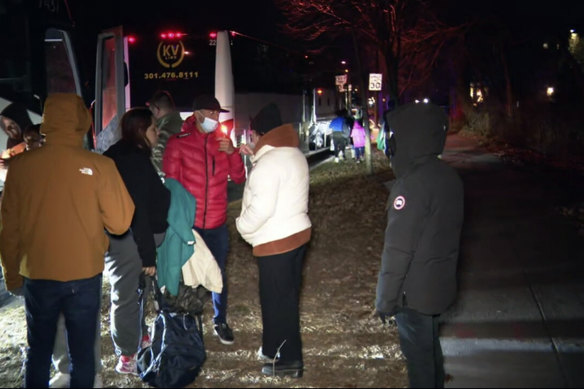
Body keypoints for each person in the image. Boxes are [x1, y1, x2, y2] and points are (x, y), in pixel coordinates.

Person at [0, 93, 135, 388]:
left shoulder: (21, 167)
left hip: (37, 273)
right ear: (81, 122)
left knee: (38, 349)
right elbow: (121, 222)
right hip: (83, 273)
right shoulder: (99, 166)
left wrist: (12, 275)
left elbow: (8, 228)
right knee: (83, 352)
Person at [375, 102, 464, 388]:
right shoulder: (447, 176)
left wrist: (386, 300)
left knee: (420, 363)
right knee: (431, 351)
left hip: (413, 295)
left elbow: (398, 251)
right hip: (438, 287)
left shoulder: (411, 185)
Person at [163, 94, 246, 345]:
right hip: (191, 224)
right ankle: (188, 321)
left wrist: (232, 153)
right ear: (197, 114)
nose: (215, 119)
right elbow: (171, 186)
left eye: (217, 114)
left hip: (218, 223)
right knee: (189, 276)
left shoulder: (223, 141)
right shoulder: (179, 143)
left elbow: (240, 177)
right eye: (211, 114)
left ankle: (220, 321)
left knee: (218, 274)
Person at [236, 103, 311, 378]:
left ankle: (288, 360)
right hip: (296, 236)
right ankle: (273, 349)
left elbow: (261, 208)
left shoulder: (268, 164)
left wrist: (241, 227)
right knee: (284, 299)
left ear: (259, 134)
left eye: (253, 135)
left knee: (277, 304)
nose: (251, 140)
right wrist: (255, 158)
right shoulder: (293, 154)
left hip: (275, 242)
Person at [103, 107, 171, 375]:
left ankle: (138, 337)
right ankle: (127, 355)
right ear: (142, 131)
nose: (158, 132)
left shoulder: (125, 155)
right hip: (128, 239)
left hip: (127, 236)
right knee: (126, 295)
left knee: (133, 291)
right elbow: (138, 210)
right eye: (154, 128)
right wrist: (148, 256)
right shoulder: (132, 160)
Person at [146, 90, 184, 174]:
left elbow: (158, 164)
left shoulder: (163, 131)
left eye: (151, 110)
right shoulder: (184, 125)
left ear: (156, 109)